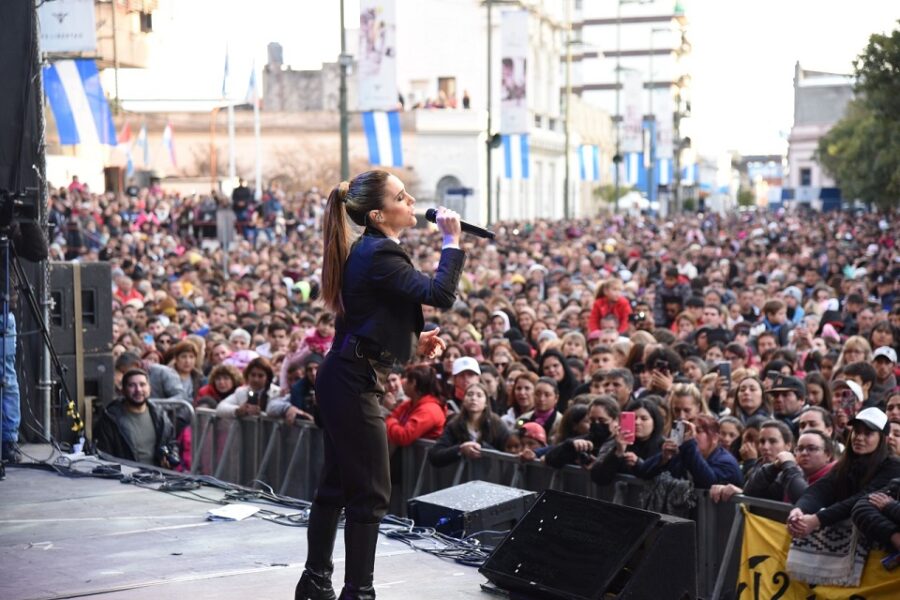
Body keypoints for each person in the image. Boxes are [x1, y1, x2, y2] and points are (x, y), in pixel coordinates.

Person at [296, 172, 464, 600]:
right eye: (400, 196)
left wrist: (413, 340)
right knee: (369, 494)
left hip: (345, 377)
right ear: (377, 213)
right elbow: (440, 293)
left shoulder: (369, 250)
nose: (411, 200)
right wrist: (452, 242)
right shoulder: (379, 252)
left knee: (336, 487)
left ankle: (315, 583)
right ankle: (358, 593)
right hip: (352, 382)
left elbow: (367, 320)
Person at [789, 407, 900, 541]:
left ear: (883, 439)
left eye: (868, 433)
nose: (859, 437)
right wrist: (799, 510)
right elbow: (820, 489)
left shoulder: (893, 466)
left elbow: (862, 498)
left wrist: (816, 520)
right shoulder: (844, 465)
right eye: (857, 432)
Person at [94, 369, 180, 468]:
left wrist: (170, 457)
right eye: (132, 385)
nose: (138, 389)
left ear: (149, 388)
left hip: (158, 477)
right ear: (123, 390)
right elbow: (104, 455)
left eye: (142, 384)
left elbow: (171, 443)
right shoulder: (110, 419)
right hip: (126, 479)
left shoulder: (160, 416)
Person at [428, 383, 508, 467]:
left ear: (486, 403)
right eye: (470, 394)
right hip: (460, 478)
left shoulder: (496, 423)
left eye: (479, 395)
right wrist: (460, 449)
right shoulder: (454, 424)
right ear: (464, 401)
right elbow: (435, 455)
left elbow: (509, 453)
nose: (473, 398)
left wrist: (484, 449)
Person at [384, 364, 446, 448]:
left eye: (406, 378)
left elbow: (403, 436)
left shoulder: (429, 410)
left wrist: (389, 420)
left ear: (413, 383)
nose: (403, 382)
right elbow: (394, 415)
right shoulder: (411, 403)